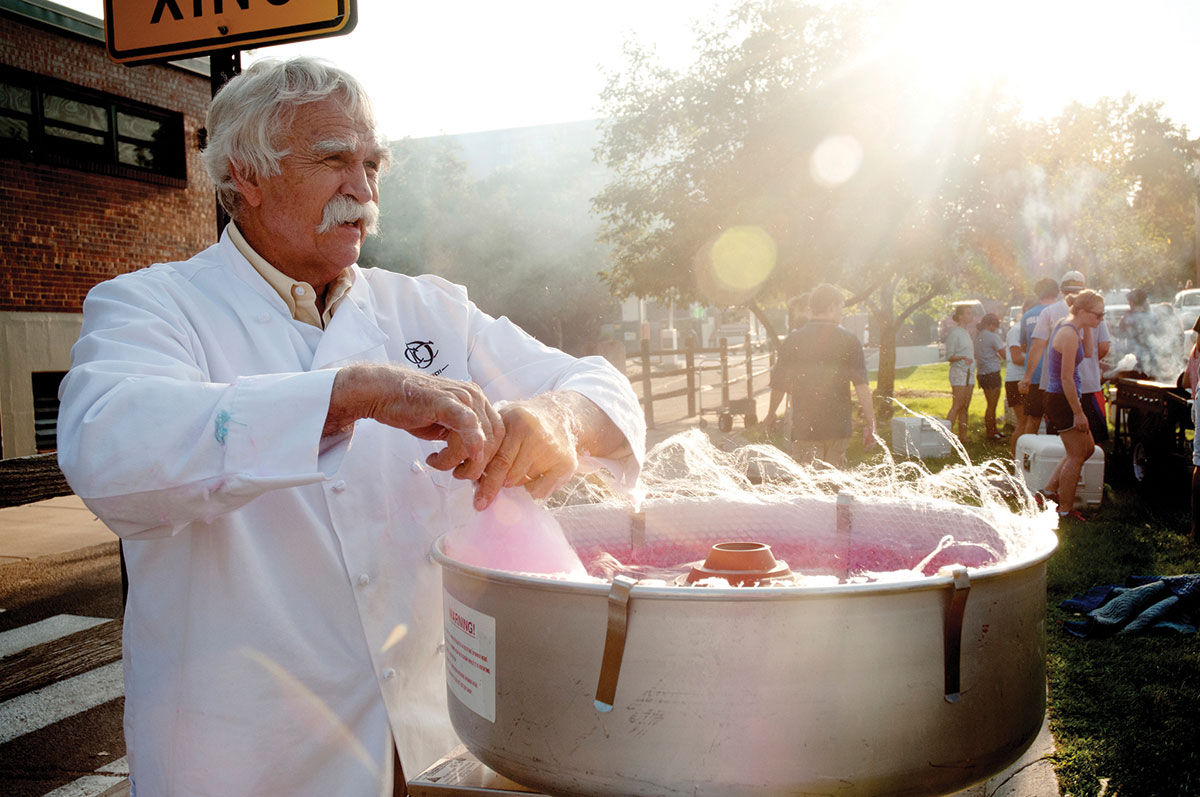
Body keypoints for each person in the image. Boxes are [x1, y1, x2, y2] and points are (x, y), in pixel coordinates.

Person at [55, 58, 645, 796]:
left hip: (440, 745)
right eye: (334, 160)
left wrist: (561, 418)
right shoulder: (153, 307)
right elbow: (111, 450)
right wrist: (346, 396)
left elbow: (601, 388)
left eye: (373, 164)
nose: (363, 190)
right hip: (251, 762)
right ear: (247, 177)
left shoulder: (429, 309)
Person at [765, 283, 876, 467]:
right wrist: (871, 423)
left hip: (804, 428)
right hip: (838, 428)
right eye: (841, 308)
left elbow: (779, 384)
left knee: (809, 487)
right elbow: (862, 386)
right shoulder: (849, 341)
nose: (842, 313)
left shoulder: (794, 340)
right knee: (832, 484)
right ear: (832, 307)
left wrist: (770, 414)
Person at [1036, 290, 1105, 521]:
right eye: (1098, 315)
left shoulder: (1073, 327)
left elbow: (1087, 353)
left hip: (1067, 396)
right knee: (1077, 454)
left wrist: (1087, 326)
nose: (1101, 320)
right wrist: (1078, 413)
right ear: (1083, 312)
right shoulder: (1068, 333)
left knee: (1086, 449)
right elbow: (1066, 377)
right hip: (1061, 398)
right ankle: (1064, 510)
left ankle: (1046, 492)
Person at [1022, 271, 1110, 447]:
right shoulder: (1095, 312)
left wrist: (1027, 377)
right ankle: (1081, 473)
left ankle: (1065, 472)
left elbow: (1038, 346)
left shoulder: (1049, 312)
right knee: (1092, 440)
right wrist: (1088, 364)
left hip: (1056, 387)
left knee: (1060, 442)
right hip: (1086, 384)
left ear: (1062, 291)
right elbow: (1103, 347)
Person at [1016, 278, 1061, 442]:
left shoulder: (1027, 315)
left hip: (1034, 374)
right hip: (1055, 375)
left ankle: (1026, 457)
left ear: (1037, 293)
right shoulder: (1062, 312)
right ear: (1058, 292)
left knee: (1032, 420)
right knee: (1058, 420)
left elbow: (1023, 345)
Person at [1006, 297, 1036, 456]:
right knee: (1022, 422)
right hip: (1015, 380)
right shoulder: (1017, 330)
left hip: (1027, 379)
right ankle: (1015, 460)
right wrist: (1038, 358)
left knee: (1029, 422)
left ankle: (1022, 460)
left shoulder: (1028, 330)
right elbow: (1016, 357)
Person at [945, 304, 975, 443]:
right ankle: (946, 438)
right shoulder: (954, 332)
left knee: (965, 407)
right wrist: (962, 358)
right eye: (967, 313)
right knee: (957, 405)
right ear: (960, 316)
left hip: (969, 371)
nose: (970, 315)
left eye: (971, 313)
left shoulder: (966, 331)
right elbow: (949, 356)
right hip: (959, 371)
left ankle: (963, 438)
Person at [974, 312, 1007, 440]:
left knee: (990, 404)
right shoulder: (993, 336)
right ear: (991, 324)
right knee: (993, 405)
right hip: (992, 372)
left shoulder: (978, 337)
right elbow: (1004, 354)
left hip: (982, 373)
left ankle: (992, 430)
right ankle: (992, 432)